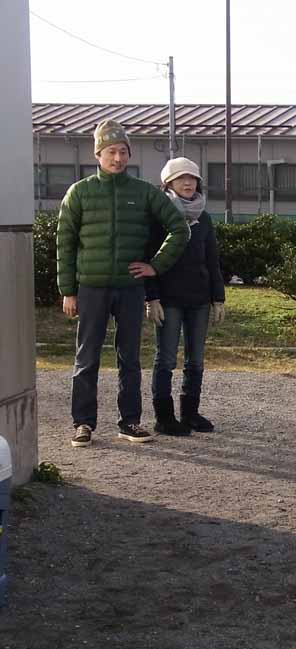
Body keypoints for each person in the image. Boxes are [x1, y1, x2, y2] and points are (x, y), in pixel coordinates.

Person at [57, 120, 189, 447]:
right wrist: (68, 291)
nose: (118, 158)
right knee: (86, 358)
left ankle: (130, 421)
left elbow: (180, 229)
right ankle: (83, 424)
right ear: (98, 154)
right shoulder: (80, 192)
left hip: (130, 289)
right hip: (90, 288)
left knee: (129, 358)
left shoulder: (143, 192)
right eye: (111, 152)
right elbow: (65, 242)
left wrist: (155, 267)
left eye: (123, 152)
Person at [145, 157, 226, 436]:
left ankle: (190, 413)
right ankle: (164, 417)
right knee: (166, 359)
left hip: (199, 299)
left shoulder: (203, 217)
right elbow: (149, 259)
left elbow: (212, 260)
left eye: (192, 178)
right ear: (169, 183)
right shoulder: (159, 215)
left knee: (196, 360)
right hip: (168, 298)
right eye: (181, 178)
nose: (188, 182)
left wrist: (218, 298)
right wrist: (151, 297)